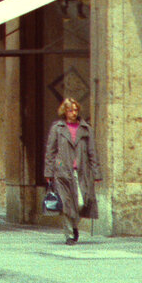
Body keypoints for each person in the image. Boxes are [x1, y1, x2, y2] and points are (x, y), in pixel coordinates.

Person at [43, 97, 101, 244]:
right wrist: (49, 172)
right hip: (62, 172)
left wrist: (96, 172)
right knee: (66, 203)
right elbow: (50, 151)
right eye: (70, 110)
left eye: (75, 110)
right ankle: (69, 234)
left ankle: (74, 225)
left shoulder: (86, 128)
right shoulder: (57, 128)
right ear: (65, 111)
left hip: (81, 172)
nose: (73, 113)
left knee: (81, 203)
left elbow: (92, 151)